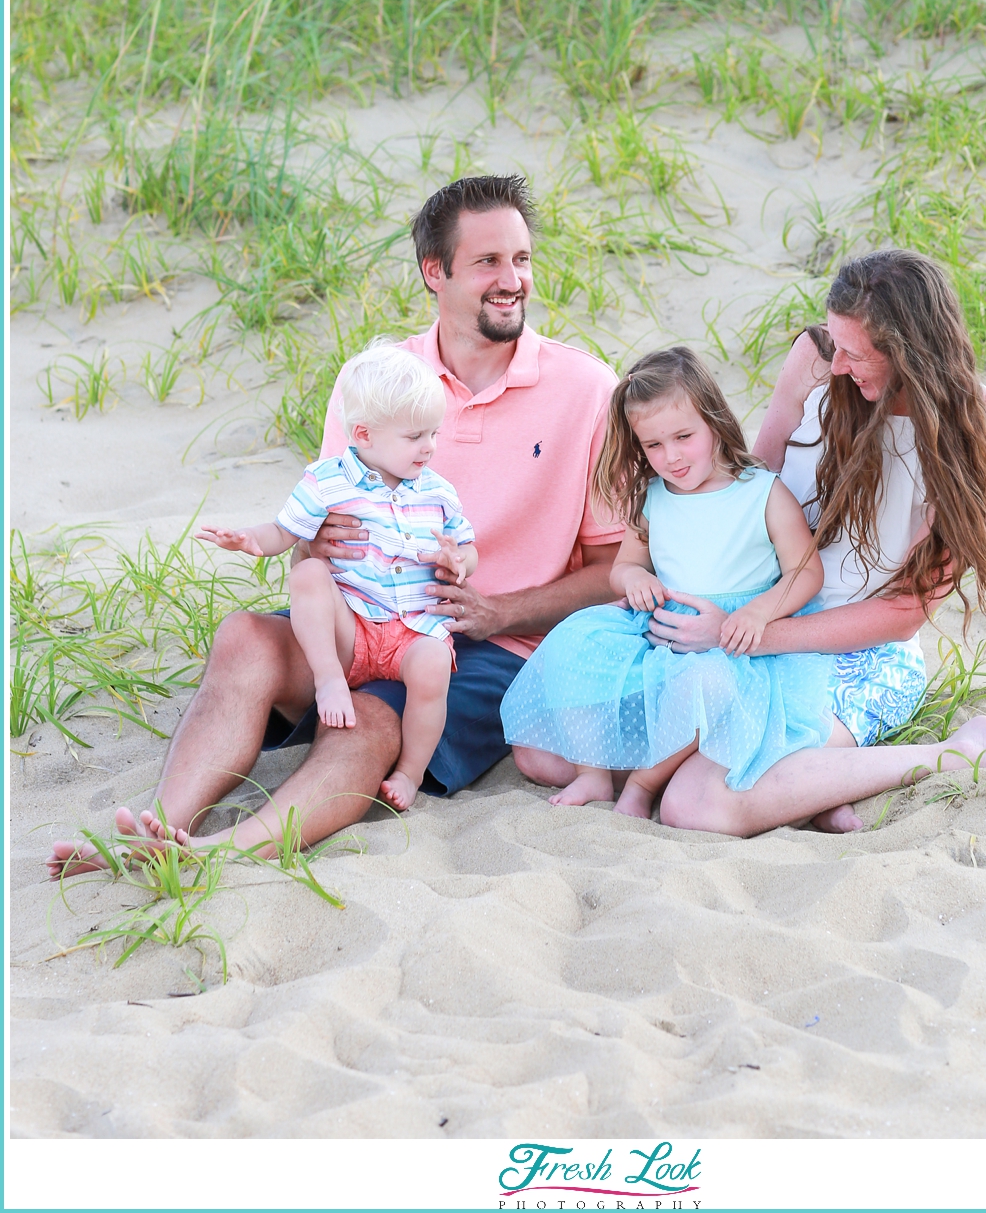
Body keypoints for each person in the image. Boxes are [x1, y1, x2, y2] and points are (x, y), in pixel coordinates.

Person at [47, 174, 625, 876]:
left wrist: (498, 608)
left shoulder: (590, 390)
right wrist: (309, 549)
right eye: (489, 263)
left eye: (523, 260)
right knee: (245, 638)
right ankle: (160, 829)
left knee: (374, 715)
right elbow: (316, 535)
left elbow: (613, 571)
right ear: (434, 273)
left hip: (489, 647)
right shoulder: (375, 378)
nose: (513, 281)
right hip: (360, 618)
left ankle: (219, 856)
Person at [522, 250, 986, 835]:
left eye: (855, 354)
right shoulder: (815, 359)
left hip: (851, 653)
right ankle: (817, 781)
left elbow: (906, 613)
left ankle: (961, 750)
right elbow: (751, 485)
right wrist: (684, 575)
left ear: (910, 352)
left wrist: (747, 637)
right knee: (545, 749)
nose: (837, 366)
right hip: (748, 612)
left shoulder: (983, 443)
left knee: (694, 805)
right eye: (836, 345)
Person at [501, 347, 834, 816]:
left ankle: (642, 784)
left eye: (684, 436)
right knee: (573, 641)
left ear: (714, 423)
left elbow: (806, 570)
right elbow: (623, 567)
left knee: (709, 687)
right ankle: (593, 775)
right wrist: (635, 579)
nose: (671, 457)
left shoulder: (762, 492)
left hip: (729, 642)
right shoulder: (653, 498)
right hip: (657, 636)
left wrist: (759, 611)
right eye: (654, 445)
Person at [195, 343, 477, 811]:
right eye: (414, 437)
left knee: (432, 670)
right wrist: (249, 540)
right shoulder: (328, 481)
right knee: (308, 573)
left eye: (434, 433)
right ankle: (328, 680)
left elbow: (468, 547)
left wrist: (460, 561)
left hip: (413, 631)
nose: (429, 447)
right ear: (364, 434)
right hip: (354, 626)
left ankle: (409, 772)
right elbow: (285, 531)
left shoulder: (438, 493)